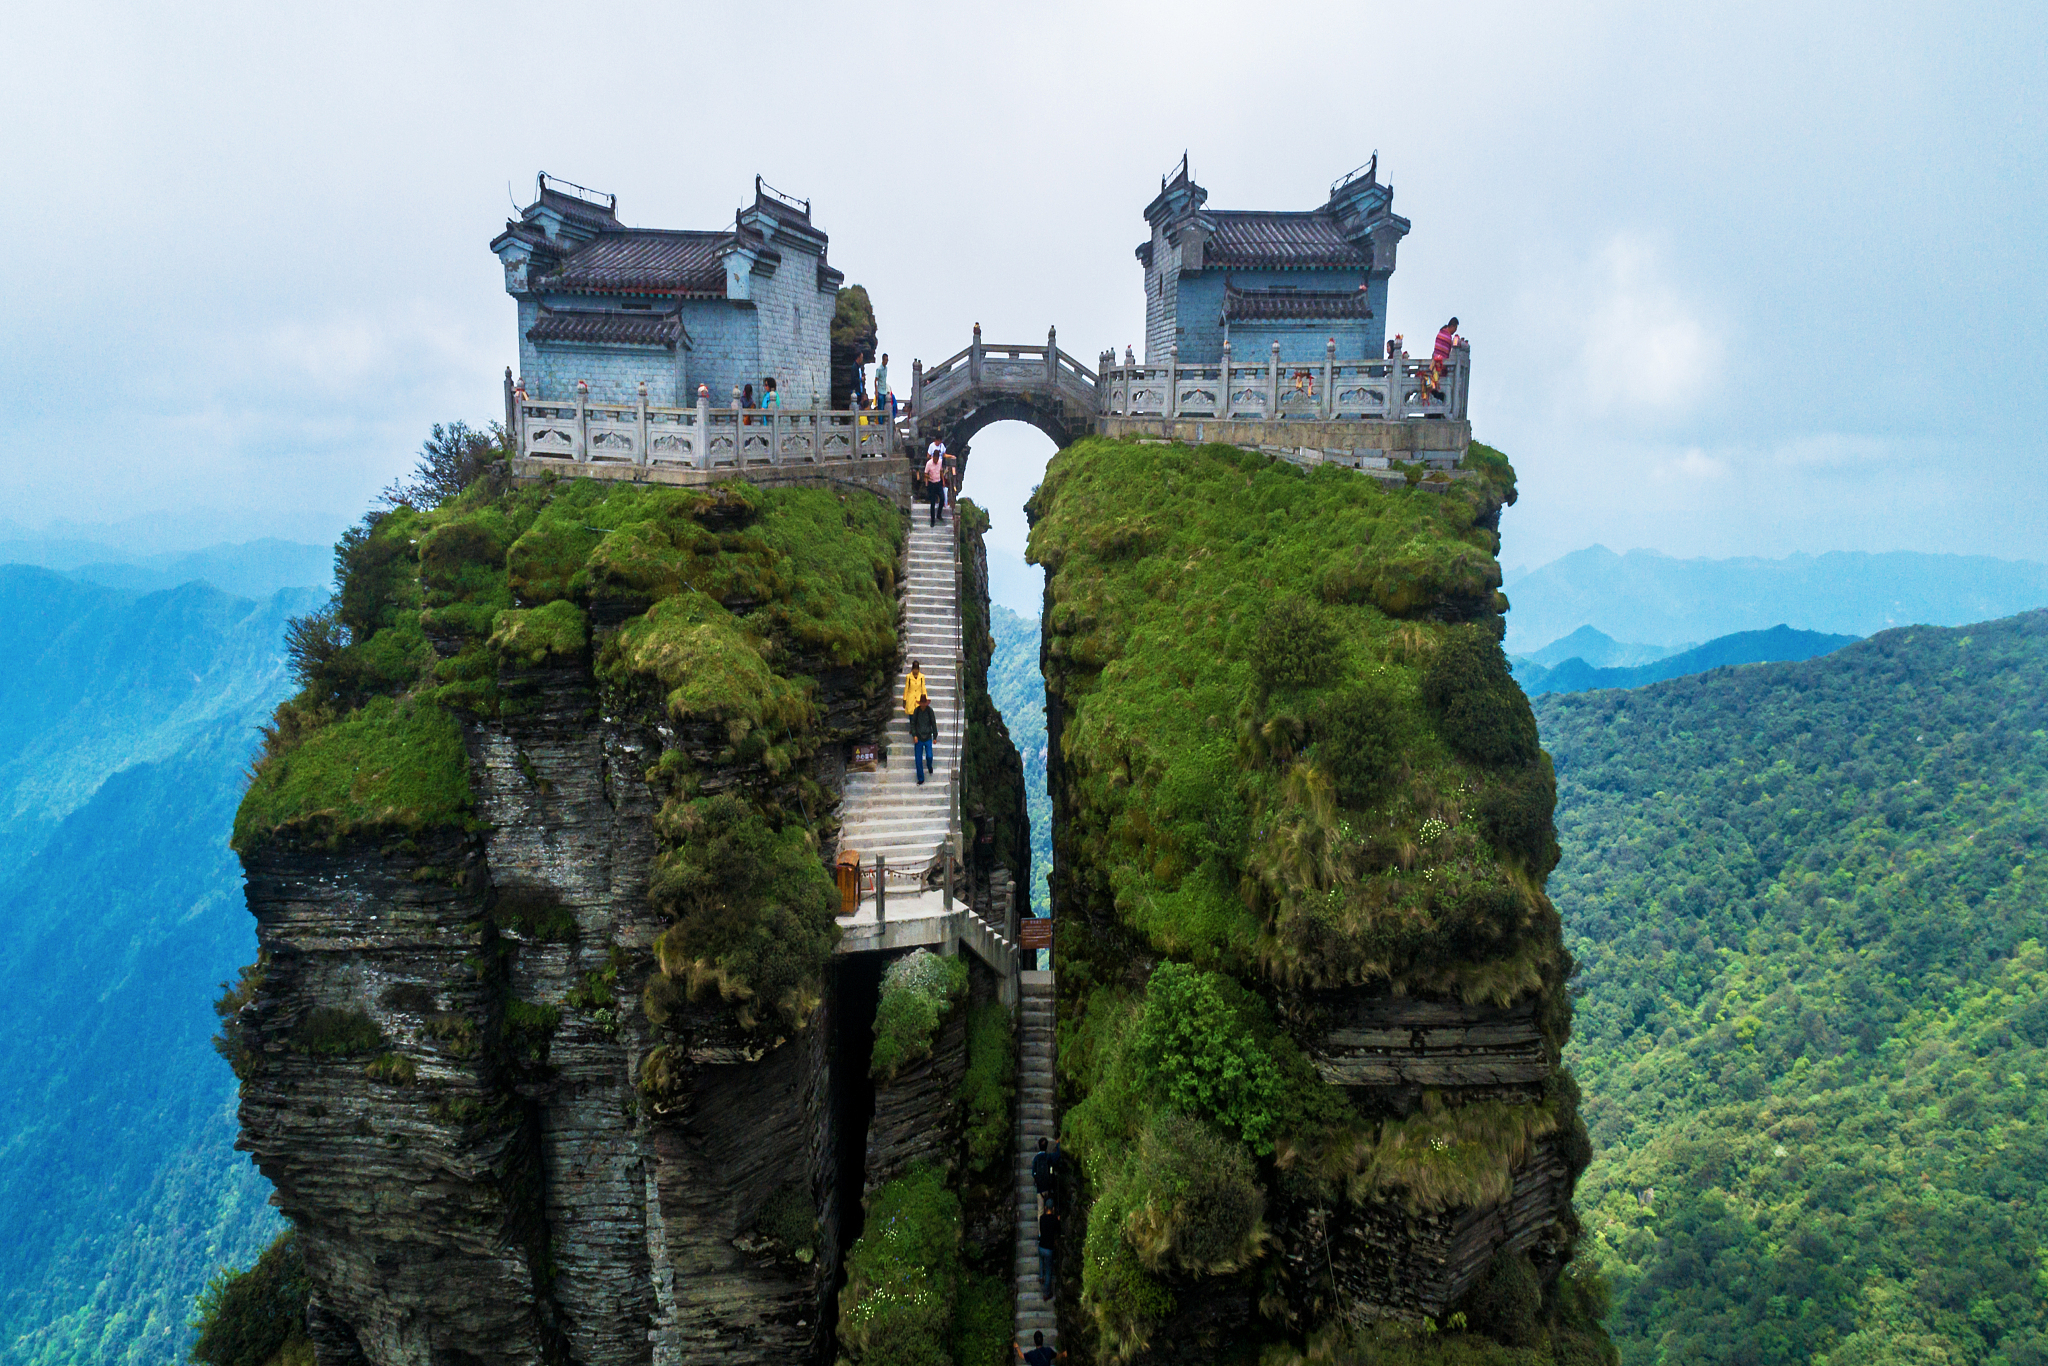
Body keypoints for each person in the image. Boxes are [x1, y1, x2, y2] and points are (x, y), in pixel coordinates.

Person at [910, 697, 937, 784]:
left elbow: (933, 723)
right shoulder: (916, 711)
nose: (923, 705)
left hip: (928, 736)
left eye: (924, 703)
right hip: (918, 737)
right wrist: (914, 735)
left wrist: (935, 736)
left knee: (929, 756)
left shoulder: (930, 711)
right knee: (918, 759)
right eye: (921, 703)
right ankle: (921, 778)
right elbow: (913, 723)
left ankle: (929, 766)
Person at [1429, 318, 1459, 398]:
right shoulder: (1448, 337)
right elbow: (1447, 353)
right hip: (1440, 365)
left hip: (1434, 363)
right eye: (1455, 328)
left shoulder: (1441, 332)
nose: (1454, 331)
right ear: (1452, 326)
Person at [1031, 1137, 1061, 1213]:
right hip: (1049, 1187)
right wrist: (1058, 1144)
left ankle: (1041, 1224)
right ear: (1047, 1146)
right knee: (1050, 1208)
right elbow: (1058, 1154)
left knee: (1040, 1210)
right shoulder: (1049, 1157)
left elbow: (1033, 1173)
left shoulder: (1036, 1159)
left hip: (1040, 1189)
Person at [1037, 1204, 1061, 1296]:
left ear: (1045, 1208)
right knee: (1048, 1270)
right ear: (1053, 1208)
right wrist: (1058, 1221)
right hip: (1048, 1249)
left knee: (1041, 1260)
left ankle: (1040, 1276)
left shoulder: (1042, 1218)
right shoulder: (1054, 1219)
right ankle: (1047, 1293)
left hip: (1041, 1245)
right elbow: (1058, 1231)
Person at [923, 447, 946, 526]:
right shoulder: (929, 463)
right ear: (933, 457)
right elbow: (925, 474)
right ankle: (932, 520)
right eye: (935, 459)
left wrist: (943, 480)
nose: (936, 461)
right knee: (932, 503)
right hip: (932, 484)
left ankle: (939, 514)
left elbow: (941, 471)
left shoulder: (940, 462)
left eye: (937, 459)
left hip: (938, 483)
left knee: (942, 498)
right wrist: (929, 478)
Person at [874, 353, 890, 420]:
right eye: (886, 360)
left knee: (884, 407)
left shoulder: (886, 368)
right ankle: (880, 422)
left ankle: (884, 421)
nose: (887, 361)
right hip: (880, 391)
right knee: (880, 408)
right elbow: (875, 380)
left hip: (884, 390)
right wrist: (876, 391)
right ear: (883, 360)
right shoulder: (879, 369)